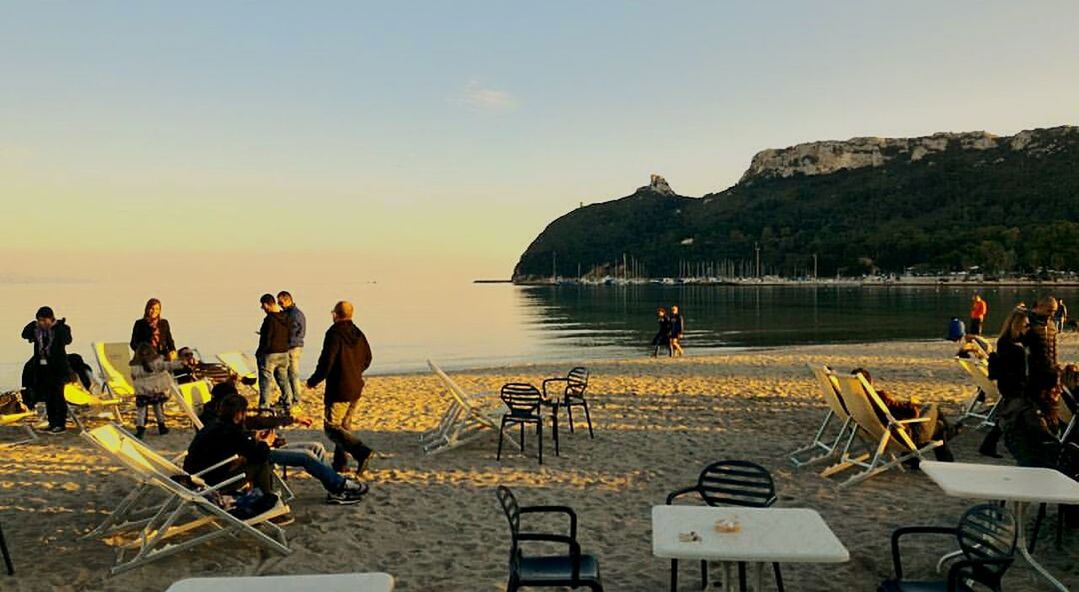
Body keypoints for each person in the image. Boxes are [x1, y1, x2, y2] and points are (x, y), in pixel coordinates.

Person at [199, 382, 368, 505]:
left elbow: (257, 422)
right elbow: (248, 447)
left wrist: (293, 419)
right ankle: (340, 485)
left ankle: (335, 488)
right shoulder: (218, 423)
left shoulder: (225, 417)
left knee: (317, 447)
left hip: (249, 451)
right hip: (246, 457)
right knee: (306, 456)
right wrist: (263, 441)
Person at [307, 300, 375, 475]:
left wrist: (314, 380)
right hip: (355, 386)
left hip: (339, 388)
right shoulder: (358, 333)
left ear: (336, 314)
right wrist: (355, 370)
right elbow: (368, 357)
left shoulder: (334, 333)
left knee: (332, 427)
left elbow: (327, 361)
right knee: (344, 426)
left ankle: (362, 452)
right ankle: (340, 462)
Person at [994, 303, 1062, 467]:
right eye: (1025, 326)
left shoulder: (1012, 344)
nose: (1028, 329)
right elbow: (1016, 373)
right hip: (1023, 393)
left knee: (1028, 428)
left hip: (1024, 391)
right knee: (1034, 428)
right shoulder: (1012, 347)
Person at [184, 393, 280, 505]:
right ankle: (265, 502)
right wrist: (265, 443)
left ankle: (260, 497)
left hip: (195, 477)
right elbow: (258, 455)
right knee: (260, 464)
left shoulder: (213, 425)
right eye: (244, 412)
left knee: (249, 460)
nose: (245, 416)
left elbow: (219, 452)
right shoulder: (231, 432)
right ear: (238, 414)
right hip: (209, 484)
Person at [850, 368, 954, 462]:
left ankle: (913, 459)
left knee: (939, 427)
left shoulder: (852, 401)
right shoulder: (879, 397)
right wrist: (912, 405)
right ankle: (949, 433)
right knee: (934, 409)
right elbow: (912, 413)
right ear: (871, 382)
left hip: (873, 433)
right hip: (905, 436)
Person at [20, 307, 72, 434]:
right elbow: (24, 334)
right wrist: (34, 324)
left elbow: (67, 340)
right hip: (43, 368)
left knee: (58, 396)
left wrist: (56, 326)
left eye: (44, 320)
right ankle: (52, 422)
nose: (42, 323)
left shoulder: (61, 329)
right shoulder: (37, 330)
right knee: (48, 397)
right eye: (39, 320)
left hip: (58, 368)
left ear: (51, 318)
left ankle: (60, 424)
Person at [130, 343, 184, 438]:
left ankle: (140, 429)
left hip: (142, 391)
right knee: (157, 408)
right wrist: (180, 364)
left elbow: (133, 376)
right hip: (155, 390)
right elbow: (167, 365)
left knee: (141, 411)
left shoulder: (135, 366)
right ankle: (161, 426)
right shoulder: (156, 362)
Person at [256, 293, 294, 410]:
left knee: (265, 381)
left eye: (263, 306)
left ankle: (265, 406)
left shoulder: (269, 319)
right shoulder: (286, 317)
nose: (262, 308)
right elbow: (290, 334)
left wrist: (260, 352)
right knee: (283, 379)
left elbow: (266, 339)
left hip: (270, 353)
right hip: (284, 352)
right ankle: (288, 402)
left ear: (267, 304)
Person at [277, 291, 306, 408]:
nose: (280, 304)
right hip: (291, 346)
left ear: (288, 300)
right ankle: (290, 397)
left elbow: (297, 332)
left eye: (281, 302)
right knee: (288, 374)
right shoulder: (288, 313)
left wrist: (286, 341)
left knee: (293, 374)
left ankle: (296, 399)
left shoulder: (295, 314)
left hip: (293, 347)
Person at [174, 346, 254, 387]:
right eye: (187, 355)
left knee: (218, 368)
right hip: (201, 381)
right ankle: (238, 378)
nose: (190, 356)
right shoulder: (180, 369)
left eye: (191, 354)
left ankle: (238, 377)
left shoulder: (199, 365)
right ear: (181, 357)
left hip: (206, 376)